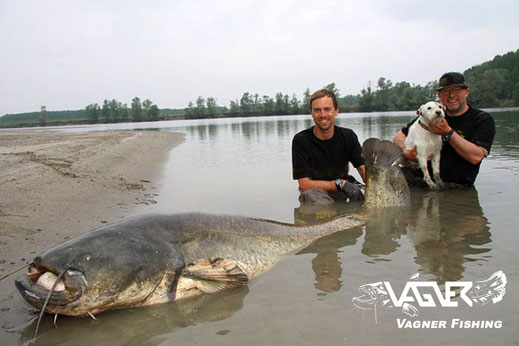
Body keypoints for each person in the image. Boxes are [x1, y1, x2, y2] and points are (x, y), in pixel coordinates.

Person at [393, 72, 495, 187]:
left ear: (466, 92)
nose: (451, 95)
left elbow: (476, 157)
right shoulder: (429, 115)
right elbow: (398, 137)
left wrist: (447, 132)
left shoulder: (482, 119)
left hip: (456, 187)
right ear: (440, 96)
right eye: (446, 91)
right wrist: (406, 152)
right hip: (416, 180)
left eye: (456, 90)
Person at [292, 89, 366, 202]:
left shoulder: (348, 136)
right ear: (311, 113)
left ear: (336, 111)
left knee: (362, 197)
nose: (322, 115)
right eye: (317, 110)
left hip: (346, 185)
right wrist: (338, 184)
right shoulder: (301, 140)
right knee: (316, 200)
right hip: (315, 189)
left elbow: (363, 171)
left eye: (327, 109)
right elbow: (304, 184)